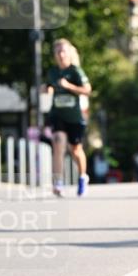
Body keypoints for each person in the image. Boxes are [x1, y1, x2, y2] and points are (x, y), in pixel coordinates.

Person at [46, 38, 92, 196]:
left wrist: (69, 86)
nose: (60, 54)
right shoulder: (52, 72)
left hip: (74, 117)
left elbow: (87, 90)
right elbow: (49, 86)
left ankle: (82, 177)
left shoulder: (75, 71)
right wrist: (46, 89)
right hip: (57, 115)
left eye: (63, 51)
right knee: (58, 142)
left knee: (76, 150)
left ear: (69, 53)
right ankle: (58, 182)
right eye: (57, 51)